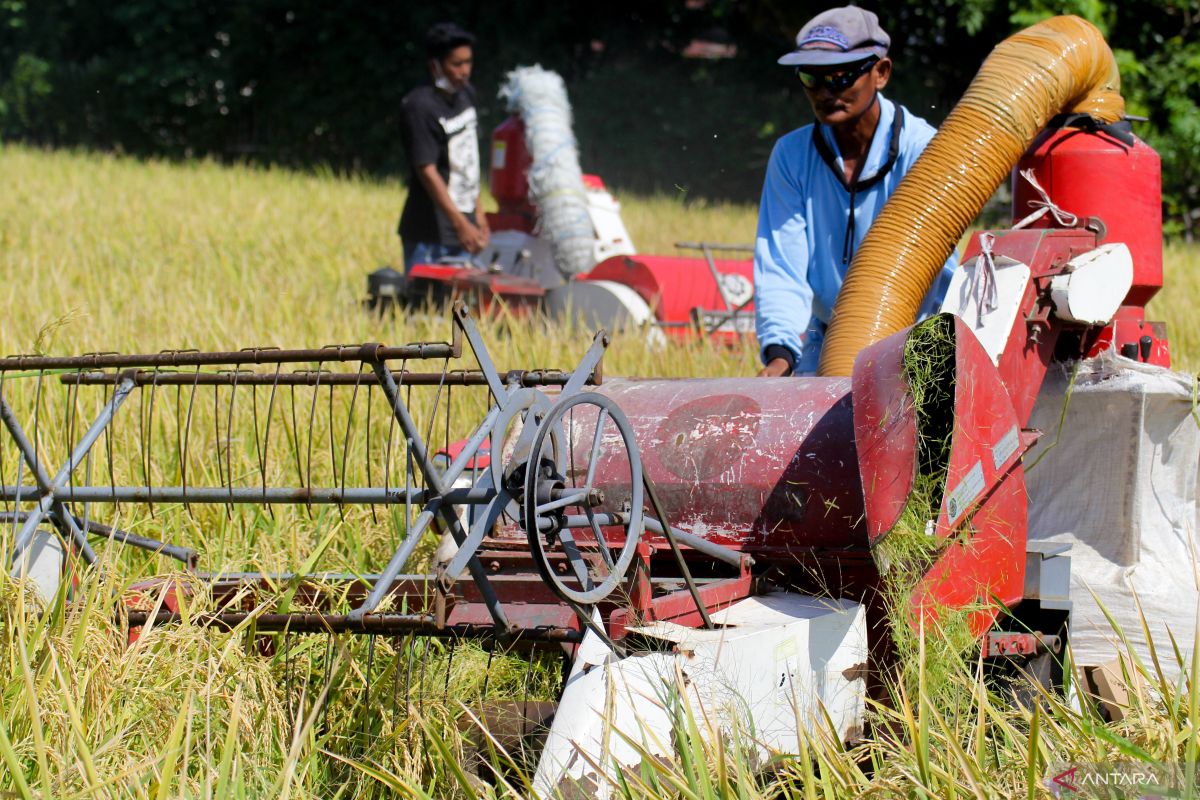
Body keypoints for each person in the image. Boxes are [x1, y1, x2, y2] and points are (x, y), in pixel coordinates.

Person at [754, 7, 957, 376]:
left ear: (880, 73)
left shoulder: (924, 149)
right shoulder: (792, 155)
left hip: (918, 341)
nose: (826, 92)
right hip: (827, 342)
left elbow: (923, 266)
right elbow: (782, 265)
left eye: (841, 76)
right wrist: (780, 355)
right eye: (810, 78)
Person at [398, 22, 489, 271]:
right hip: (430, 234)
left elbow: (469, 162)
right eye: (456, 64)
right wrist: (460, 225)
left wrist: (479, 216)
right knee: (428, 307)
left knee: (463, 310)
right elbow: (426, 171)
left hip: (466, 229)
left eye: (468, 62)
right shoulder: (419, 107)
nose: (464, 71)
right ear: (435, 65)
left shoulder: (466, 96)